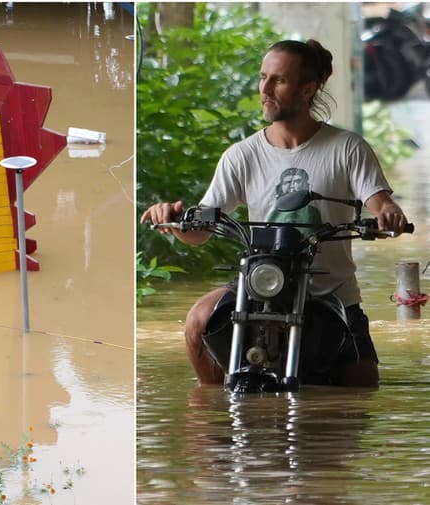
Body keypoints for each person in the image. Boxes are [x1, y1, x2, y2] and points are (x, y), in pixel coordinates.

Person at [140, 39, 409, 388]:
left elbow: (381, 203)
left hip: (330, 292)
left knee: (362, 391)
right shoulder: (241, 155)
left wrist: (389, 214)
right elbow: (201, 230)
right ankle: (212, 412)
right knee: (197, 321)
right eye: (262, 77)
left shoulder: (347, 148)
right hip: (261, 283)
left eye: (277, 80)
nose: (264, 89)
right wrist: (175, 219)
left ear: (307, 89)